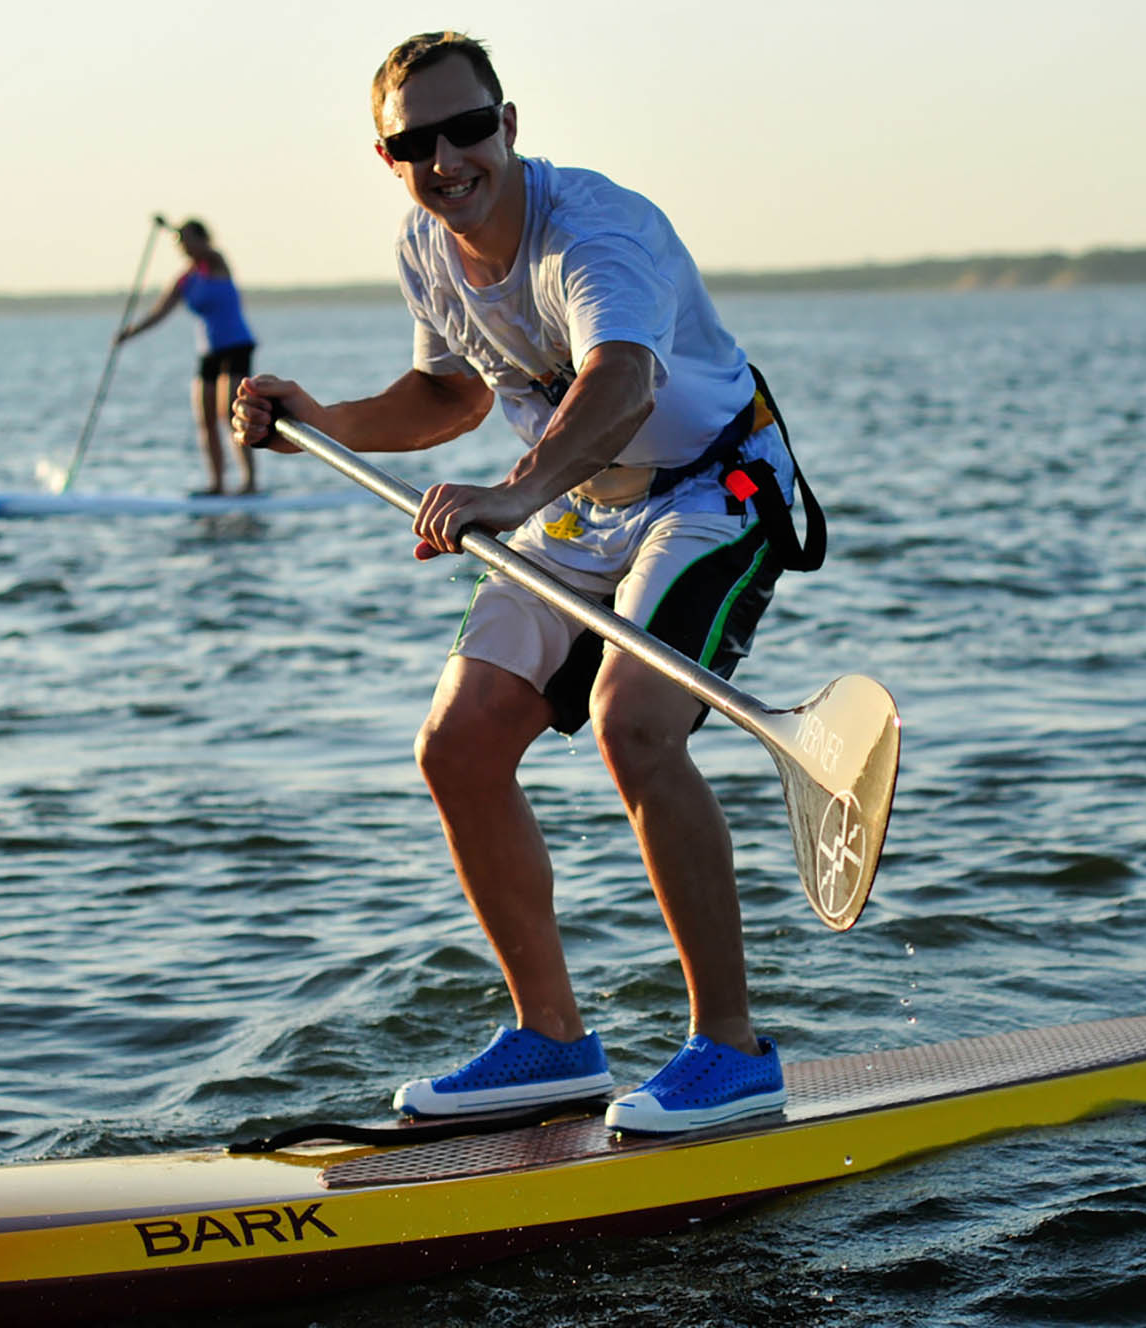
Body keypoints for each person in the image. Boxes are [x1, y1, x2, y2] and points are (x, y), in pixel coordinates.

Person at [233, 31, 822, 1134]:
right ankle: (551, 1042)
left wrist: (510, 492)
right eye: (418, 141)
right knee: (454, 746)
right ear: (388, 157)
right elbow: (448, 394)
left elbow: (623, 380)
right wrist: (326, 420)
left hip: (709, 487)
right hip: (568, 500)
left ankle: (733, 1051)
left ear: (507, 127)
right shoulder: (422, 245)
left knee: (632, 723)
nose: (447, 157)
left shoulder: (594, 231)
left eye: (467, 129)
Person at [117, 219, 259, 495]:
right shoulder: (185, 280)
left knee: (230, 414)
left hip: (237, 346)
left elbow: (204, 250)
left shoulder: (216, 263)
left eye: (187, 240)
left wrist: (171, 229)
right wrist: (129, 334)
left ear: (202, 239)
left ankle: (249, 482)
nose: (183, 247)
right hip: (210, 352)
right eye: (181, 243)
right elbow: (159, 312)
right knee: (205, 419)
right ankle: (217, 484)